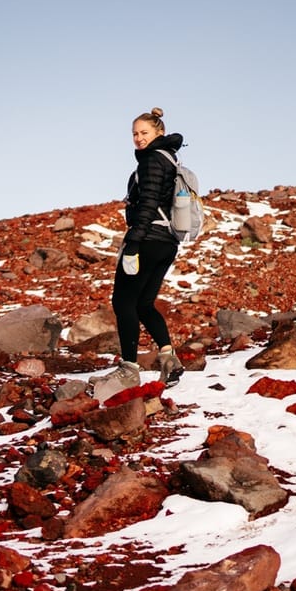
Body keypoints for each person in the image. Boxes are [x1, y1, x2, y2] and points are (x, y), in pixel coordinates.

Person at [112, 107, 184, 387]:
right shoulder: (169, 158)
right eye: (135, 134)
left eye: (144, 133)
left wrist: (133, 242)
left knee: (123, 302)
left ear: (159, 133)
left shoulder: (152, 159)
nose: (139, 138)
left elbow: (149, 202)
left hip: (148, 239)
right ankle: (169, 360)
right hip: (167, 242)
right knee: (143, 304)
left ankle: (128, 369)